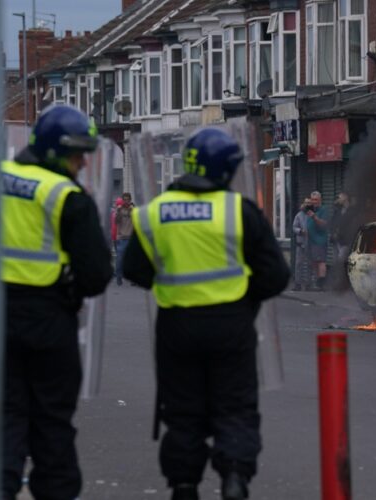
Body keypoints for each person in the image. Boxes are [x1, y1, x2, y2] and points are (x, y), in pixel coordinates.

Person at [123, 128, 290, 500]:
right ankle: (234, 477)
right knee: (235, 406)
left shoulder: (154, 214)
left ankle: (184, 485)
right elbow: (276, 275)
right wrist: (245, 299)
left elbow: (134, 269)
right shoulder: (238, 211)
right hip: (231, 324)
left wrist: (169, 282)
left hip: (176, 327)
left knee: (183, 411)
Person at [1, 104, 113, 500]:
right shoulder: (66, 196)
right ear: (54, 151)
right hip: (48, 320)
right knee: (51, 425)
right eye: (77, 154)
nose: (83, 163)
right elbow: (98, 273)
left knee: (4, 422)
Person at [329, 192, 358, 291]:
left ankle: (344, 283)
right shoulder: (338, 210)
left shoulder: (352, 211)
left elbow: (352, 225)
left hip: (345, 240)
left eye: (340, 196)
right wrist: (333, 233)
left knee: (342, 261)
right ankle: (338, 282)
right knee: (337, 261)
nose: (339, 198)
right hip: (336, 240)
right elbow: (332, 222)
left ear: (346, 197)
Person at [306, 191, 329, 291]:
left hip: (319, 240)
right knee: (313, 262)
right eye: (312, 199)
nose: (314, 202)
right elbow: (301, 208)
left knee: (321, 262)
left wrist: (314, 217)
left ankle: (321, 284)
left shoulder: (323, 210)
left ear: (320, 200)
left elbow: (324, 224)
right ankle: (316, 282)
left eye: (316, 200)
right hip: (310, 240)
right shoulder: (310, 209)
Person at [114, 191, 135, 285]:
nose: (126, 201)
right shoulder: (120, 209)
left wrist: (133, 211)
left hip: (131, 238)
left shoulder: (134, 209)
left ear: (130, 200)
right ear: (122, 200)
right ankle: (119, 277)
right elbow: (116, 221)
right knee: (119, 259)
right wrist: (118, 211)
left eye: (128, 200)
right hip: (122, 238)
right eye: (124, 200)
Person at [291, 198, 312, 291]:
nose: (307, 205)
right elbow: (294, 227)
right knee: (299, 264)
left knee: (309, 264)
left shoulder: (312, 215)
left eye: (309, 203)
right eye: (306, 203)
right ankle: (297, 284)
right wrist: (300, 231)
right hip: (300, 243)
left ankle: (308, 284)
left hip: (310, 243)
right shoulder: (299, 215)